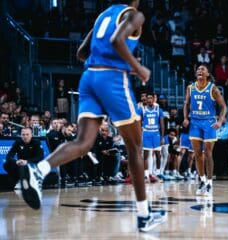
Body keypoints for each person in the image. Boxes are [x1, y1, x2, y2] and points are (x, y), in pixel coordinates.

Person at [18, 0, 166, 232]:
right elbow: (118, 41)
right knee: (136, 148)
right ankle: (144, 215)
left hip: (88, 78)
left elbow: (81, 53)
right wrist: (138, 67)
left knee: (83, 142)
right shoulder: (135, 15)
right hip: (112, 79)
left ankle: (39, 170)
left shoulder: (102, 16)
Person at [183, 64, 227, 197]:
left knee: (208, 153)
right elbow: (186, 104)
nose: (199, 71)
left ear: (208, 74)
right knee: (197, 154)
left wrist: (219, 121)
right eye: (198, 69)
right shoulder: (190, 88)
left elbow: (223, 106)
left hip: (209, 123)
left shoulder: (212, 88)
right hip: (195, 122)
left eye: (203, 69)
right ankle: (201, 180)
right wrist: (185, 118)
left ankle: (209, 182)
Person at [137, 92, 164, 183]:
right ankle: (146, 176)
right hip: (146, 133)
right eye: (147, 98)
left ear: (153, 99)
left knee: (158, 155)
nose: (149, 99)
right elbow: (138, 123)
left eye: (150, 98)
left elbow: (162, 124)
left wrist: (162, 137)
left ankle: (157, 174)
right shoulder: (142, 109)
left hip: (156, 134)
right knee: (146, 155)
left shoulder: (158, 109)